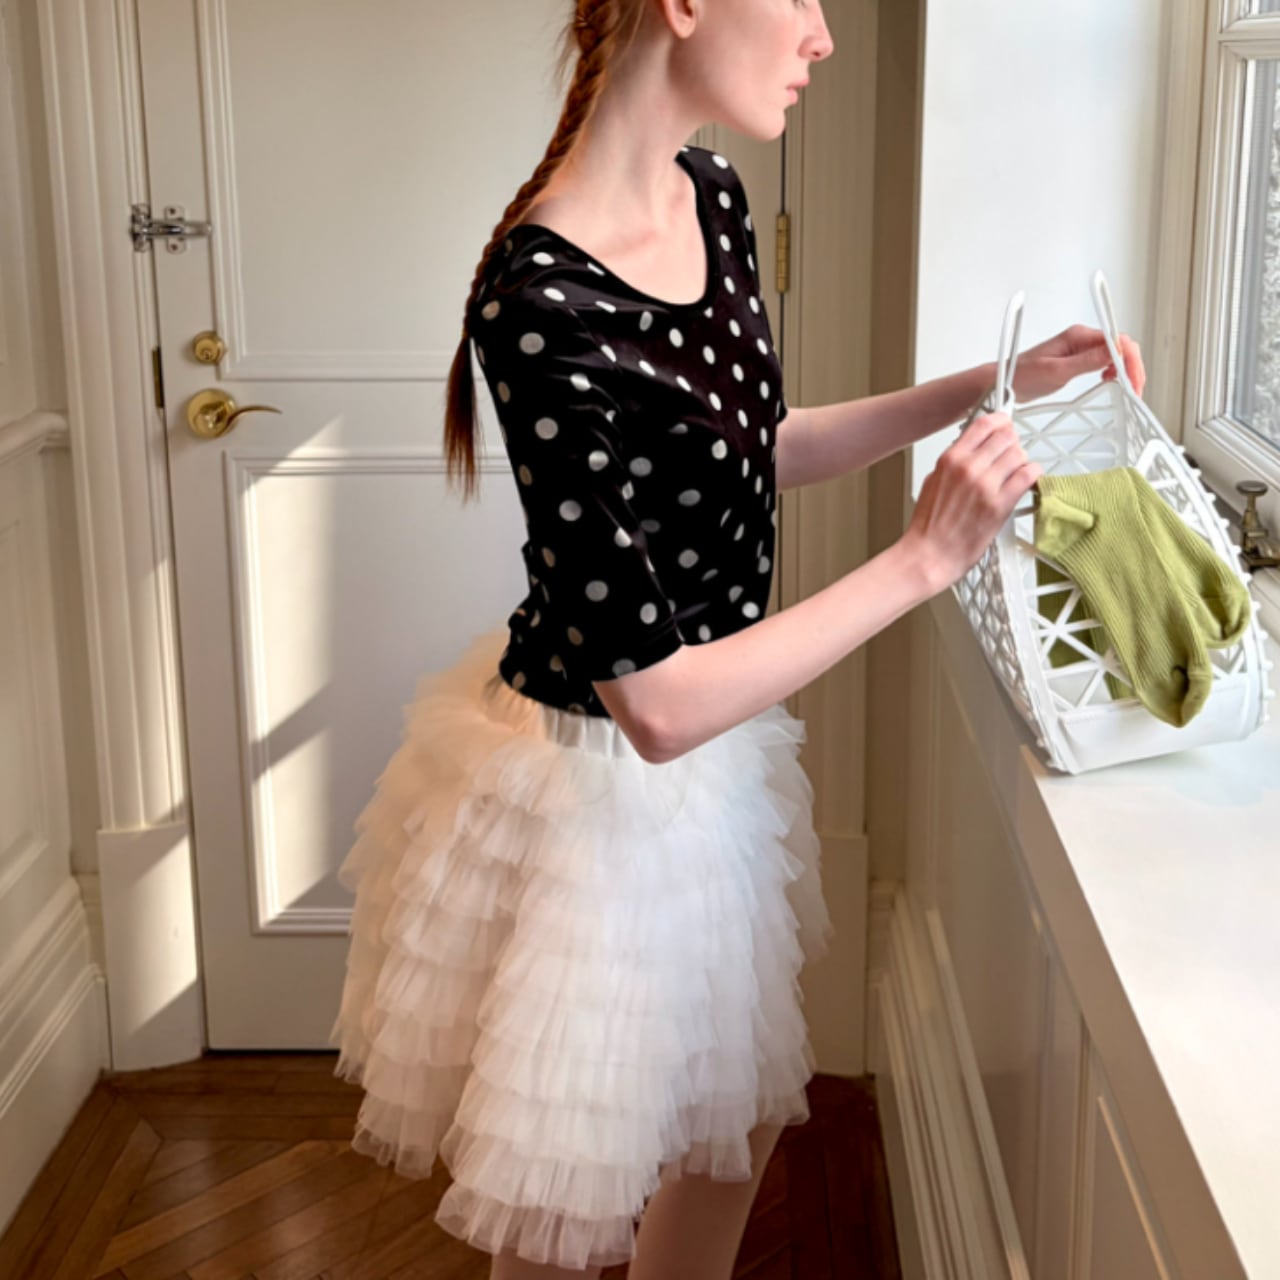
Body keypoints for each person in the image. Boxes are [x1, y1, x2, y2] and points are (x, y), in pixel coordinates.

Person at [330, 2, 1147, 1278]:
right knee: (560, 1206)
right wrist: (922, 557)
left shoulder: (709, 195)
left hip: (710, 769)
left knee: (730, 1137)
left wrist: (992, 386)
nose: (821, 35)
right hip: (587, 796)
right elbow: (654, 706)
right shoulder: (537, 299)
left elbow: (754, 446)